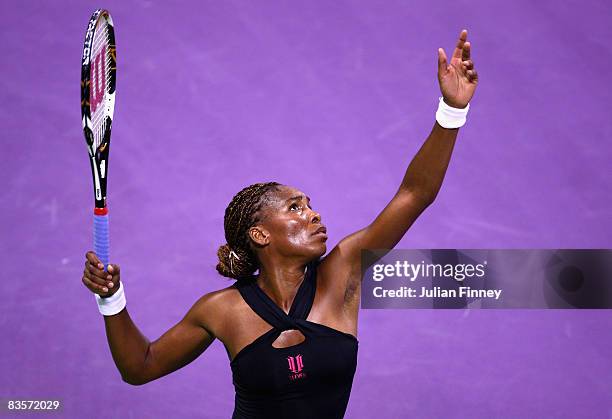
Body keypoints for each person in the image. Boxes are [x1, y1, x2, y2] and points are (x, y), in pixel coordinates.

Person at [82, 29, 478, 419]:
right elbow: (140, 367)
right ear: (260, 234)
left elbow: (414, 195)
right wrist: (111, 298)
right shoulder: (221, 310)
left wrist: (451, 112)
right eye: (295, 208)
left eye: (310, 205)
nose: (314, 214)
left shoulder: (343, 273)